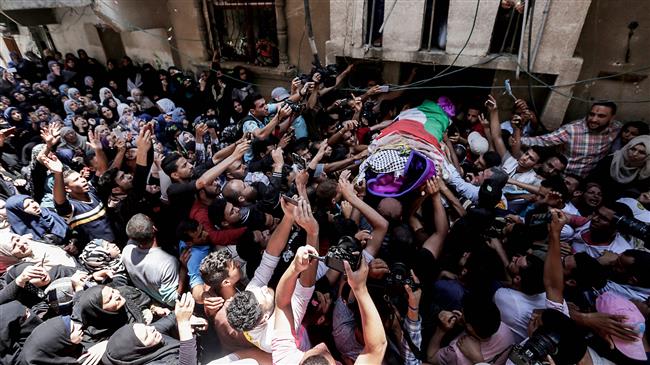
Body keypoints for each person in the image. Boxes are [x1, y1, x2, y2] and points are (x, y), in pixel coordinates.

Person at [520, 101, 621, 177]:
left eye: (601, 116)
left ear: (612, 118)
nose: (594, 119)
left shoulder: (615, 128)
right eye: (591, 114)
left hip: (583, 182)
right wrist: (514, 140)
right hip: (561, 177)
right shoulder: (572, 130)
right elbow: (542, 141)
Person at [101, 293, 199, 365]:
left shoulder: (150, 331)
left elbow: (173, 317)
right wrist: (183, 324)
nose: (152, 328)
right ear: (140, 350)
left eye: (146, 327)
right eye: (146, 336)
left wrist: (190, 317)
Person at [122, 214, 180, 307]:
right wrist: (184, 270)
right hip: (165, 306)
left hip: (149, 300)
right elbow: (172, 300)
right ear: (154, 228)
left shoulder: (126, 251)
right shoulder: (167, 262)